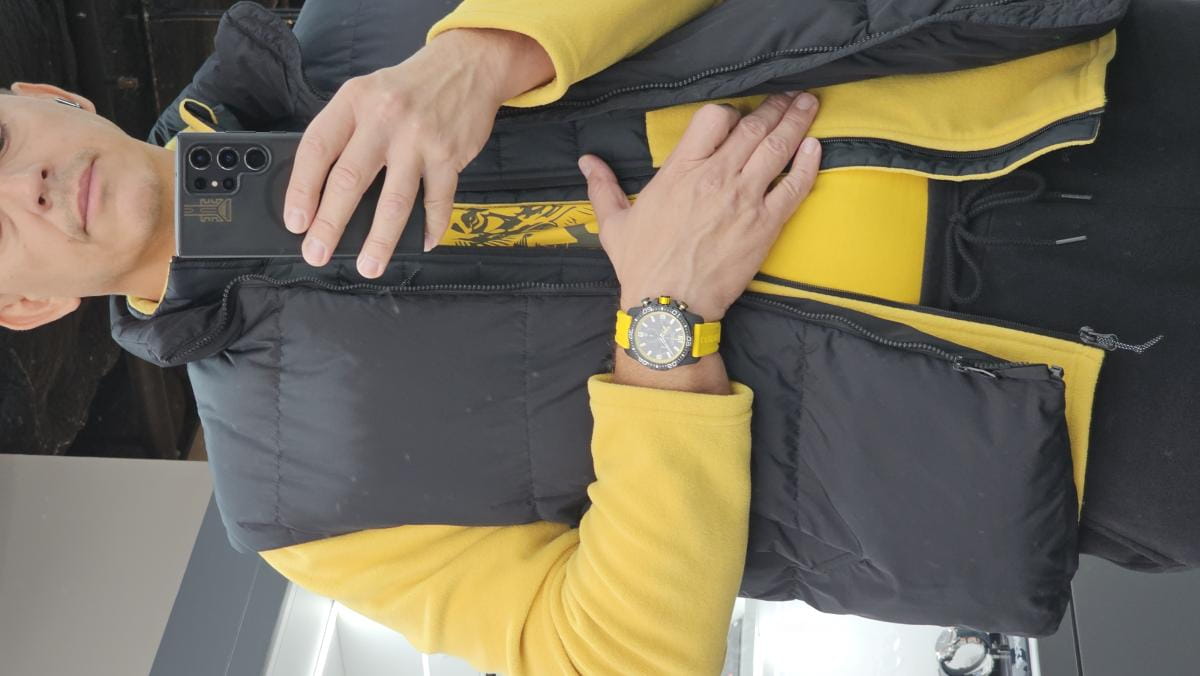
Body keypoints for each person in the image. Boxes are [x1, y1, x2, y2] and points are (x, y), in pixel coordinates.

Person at [6, 0, 1189, 671]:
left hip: (1089, 95)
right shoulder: (293, 503)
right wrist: (666, 327)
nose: (29, 193)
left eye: (2, 149)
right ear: (25, 310)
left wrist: (486, 49)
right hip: (1077, 422)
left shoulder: (353, 21)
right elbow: (615, 657)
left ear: (51, 100)